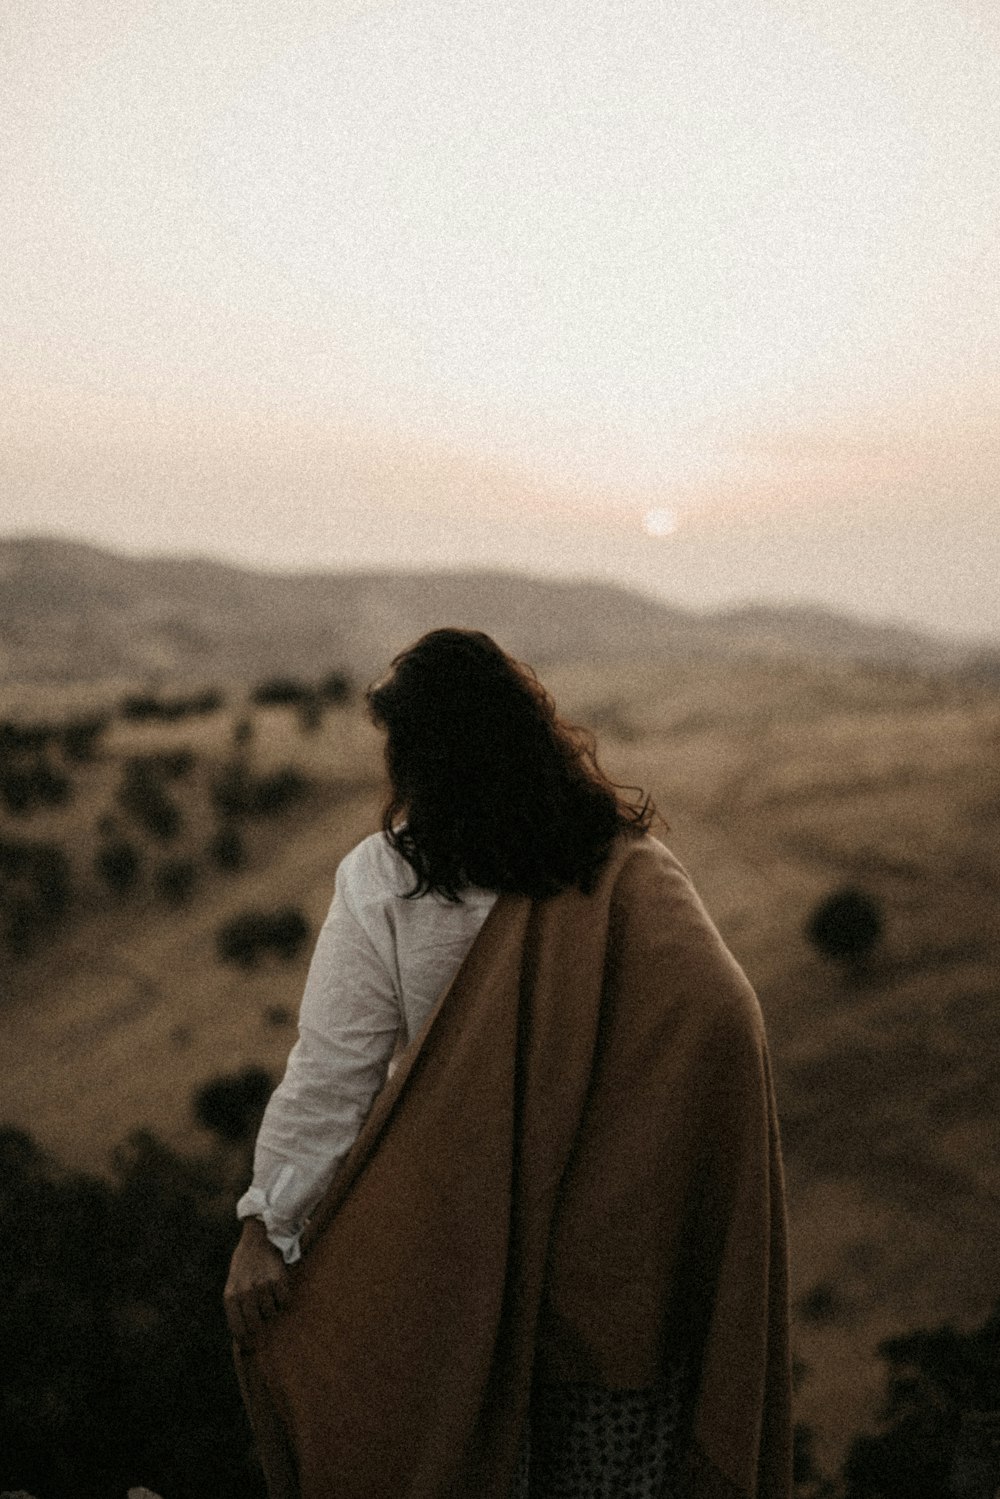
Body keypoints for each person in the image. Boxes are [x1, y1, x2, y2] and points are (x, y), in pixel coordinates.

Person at [225, 628, 792, 1499]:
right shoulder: (615, 864)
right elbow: (725, 1015)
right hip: (612, 1259)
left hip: (455, 1258)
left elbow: (332, 1074)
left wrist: (270, 1225)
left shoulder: (385, 879)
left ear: (418, 754)